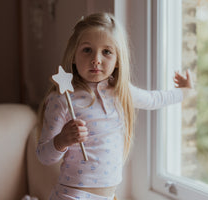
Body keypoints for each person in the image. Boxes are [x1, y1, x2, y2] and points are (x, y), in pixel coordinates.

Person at [36, 12, 193, 200]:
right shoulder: (62, 99)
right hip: (72, 196)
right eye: (87, 50)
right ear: (73, 55)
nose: (96, 59)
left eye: (107, 52)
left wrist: (184, 92)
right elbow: (44, 156)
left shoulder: (121, 92)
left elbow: (153, 99)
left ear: (118, 59)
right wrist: (62, 140)